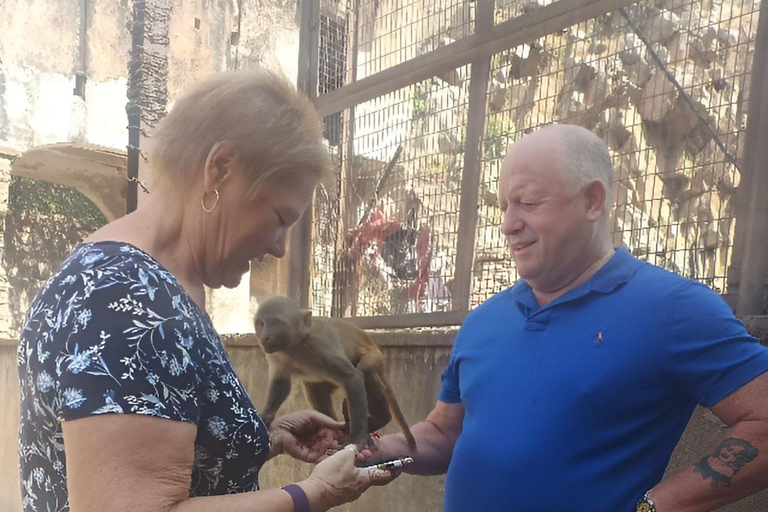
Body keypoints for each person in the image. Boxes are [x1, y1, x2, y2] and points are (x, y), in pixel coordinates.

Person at [18, 69, 393, 512]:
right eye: (279, 218)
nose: (279, 247)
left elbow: (158, 446)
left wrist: (257, 439)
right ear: (220, 170)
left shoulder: (129, 279)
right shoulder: (127, 300)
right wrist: (312, 494)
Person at [370, 124, 768, 511]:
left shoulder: (672, 309)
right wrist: (375, 451)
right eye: (504, 207)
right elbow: (443, 434)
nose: (508, 224)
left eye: (527, 202)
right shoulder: (482, 322)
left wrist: (654, 507)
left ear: (593, 201)